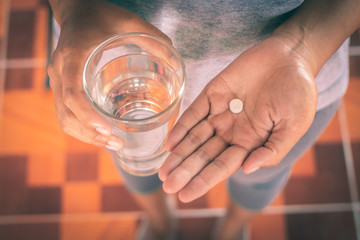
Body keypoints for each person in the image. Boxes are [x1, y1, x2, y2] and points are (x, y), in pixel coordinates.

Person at [47, 0, 360, 239]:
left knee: (258, 174)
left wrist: (302, 50)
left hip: (280, 85)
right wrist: (74, 8)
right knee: (136, 161)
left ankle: (232, 230)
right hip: (119, 69)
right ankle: (160, 225)